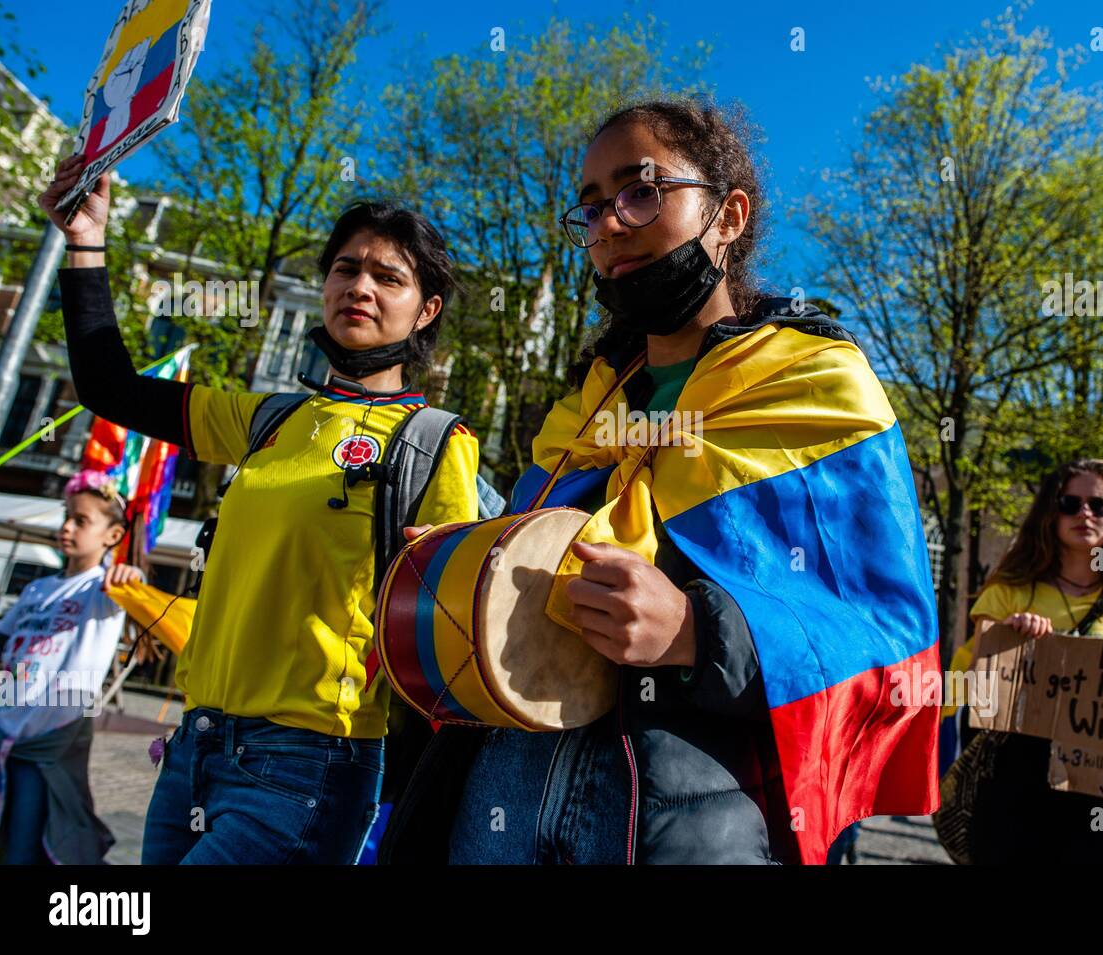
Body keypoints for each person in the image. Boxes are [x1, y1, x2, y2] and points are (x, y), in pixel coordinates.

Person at [380, 98, 940, 866]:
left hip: (688, 807)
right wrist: (464, 563)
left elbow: (890, 644)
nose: (609, 224)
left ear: (728, 215)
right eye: (591, 206)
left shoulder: (821, 387)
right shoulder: (586, 403)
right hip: (502, 787)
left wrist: (696, 631)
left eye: (641, 190)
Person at [39, 159, 481, 864]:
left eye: (388, 276)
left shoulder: (434, 442)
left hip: (309, 762)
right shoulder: (266, 419)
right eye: (345, 267)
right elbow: (109, 386)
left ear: (426, 309)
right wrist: (86, 240)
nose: (359, 286)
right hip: (193, 749)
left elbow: (453, 628)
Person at [967, 458, 1103, 864]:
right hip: (1021, 788)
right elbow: (983, 695)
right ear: (1051, 512)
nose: (1085, 513)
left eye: (1099, 505)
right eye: (1070, 503)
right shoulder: (1008, 593)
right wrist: (1012, 639)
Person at [0, 471, 144, 864]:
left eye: (81, 521)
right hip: (5, 723)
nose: (67, 527)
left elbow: (134, 584)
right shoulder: (35, 589)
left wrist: (129, 575)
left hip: (47, 735)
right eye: (67, 516)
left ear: (113, 535)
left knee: (26, 839)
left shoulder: (106, 589)